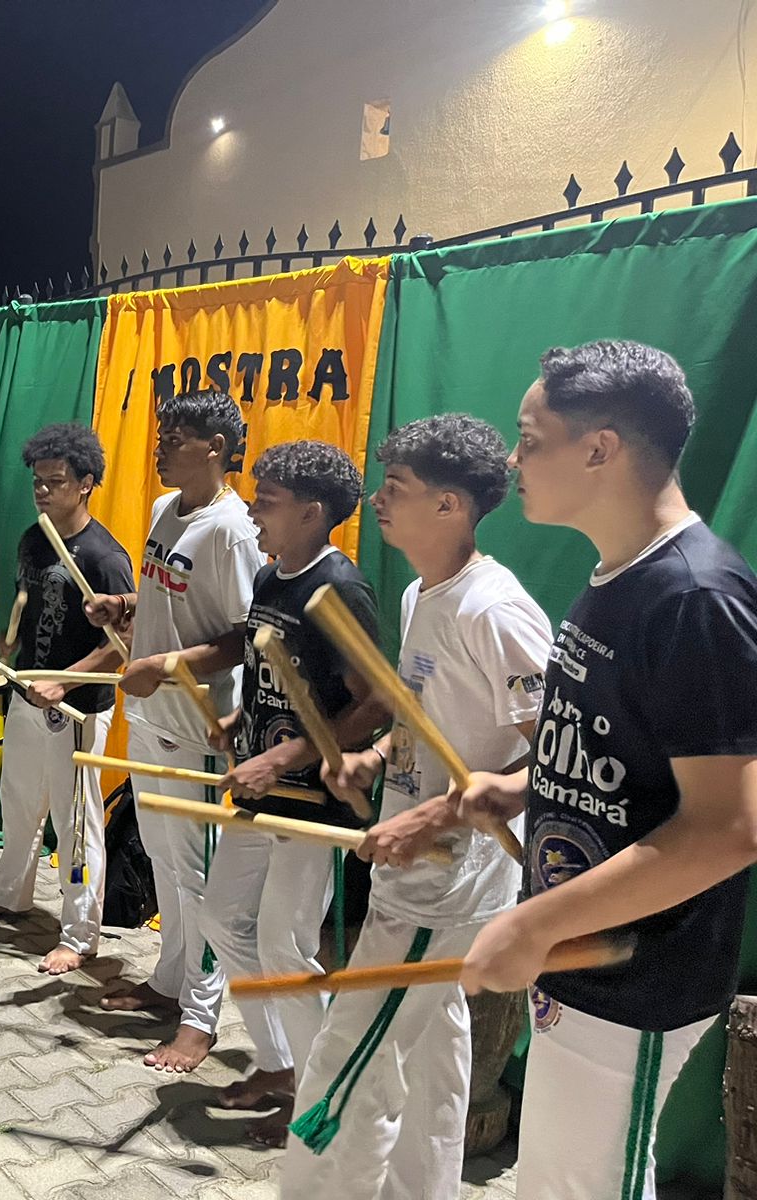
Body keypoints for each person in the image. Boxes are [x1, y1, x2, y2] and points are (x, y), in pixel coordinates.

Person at [453, 342, 757, 1199]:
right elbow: (632, 755)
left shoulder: (695, 597)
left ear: (600, 448)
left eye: (528, 440)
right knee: (558, 1181)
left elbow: (728, 827)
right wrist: (523, 788)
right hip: (581, 958)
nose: (511, 461)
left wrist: (533, 923)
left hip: (637, 976)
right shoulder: (619, 574)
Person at [278, 415, 552, 1198]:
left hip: (448, 879)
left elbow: (554, 756)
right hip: (415, 870)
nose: (378, 500)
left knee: (348, 1065)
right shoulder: (418, 594)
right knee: (431, 1055)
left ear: (449, 505)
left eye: (395, 488)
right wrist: (374, 759)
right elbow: (423, 717)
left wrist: (434, 816)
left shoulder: (493, 610)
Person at [195, 440, 385, 1147]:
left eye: (267, 502)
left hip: (312, 798)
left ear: (311, 512)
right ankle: (280, 1061)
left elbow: (374, 703)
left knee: (285, 944)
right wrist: (240, 723)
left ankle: (320, 1094)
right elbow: (272, 672)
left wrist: (287, 755)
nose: (253, 511)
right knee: (221, 918)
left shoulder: (340, 591)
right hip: (261, 785)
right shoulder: (271, 576)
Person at [84, 389, 267, 1073]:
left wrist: (163, 665)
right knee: (164, 862)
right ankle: (168, 980)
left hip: (198, 728)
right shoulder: (165, 509)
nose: (159, 447)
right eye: (160, 434)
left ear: (215, 448)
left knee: (198, 877)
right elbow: (170, 596)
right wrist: (124, 605)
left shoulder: (234, 530)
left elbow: (248, 634)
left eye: (174, 437)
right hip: (150, 716)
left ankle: (201, 1017)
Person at [0, 423, 134, 971]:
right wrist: (13, 642)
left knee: (75, 822)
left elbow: (122, 646)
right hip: (27, 691)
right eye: (38, 482)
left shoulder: (104, 557)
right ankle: (11, 897)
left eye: (56, 481)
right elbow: (27, 604)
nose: (43, 491)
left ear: (86, 483)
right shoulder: (33, 538)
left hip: (78, 708)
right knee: (20, 802)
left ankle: (79, 934)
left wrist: (65, 682)